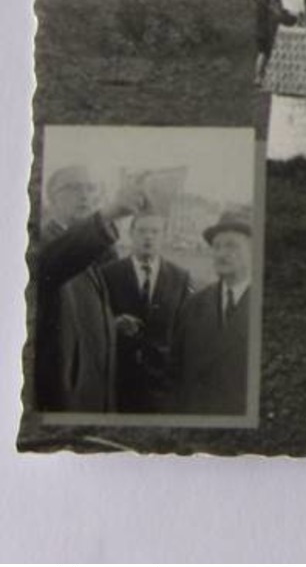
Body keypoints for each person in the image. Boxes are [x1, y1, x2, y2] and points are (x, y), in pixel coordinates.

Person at [32, 167, 144, 413]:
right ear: (51, 198)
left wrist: (109, 324)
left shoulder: (84, 250)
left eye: (91, 188)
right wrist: (108, 214)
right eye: (74, 188)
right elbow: (55, 263)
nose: (85, 195)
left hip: (91, 395)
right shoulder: (40, 243)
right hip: (63, 400)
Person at [99, 210, 192, 413]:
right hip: (118, 376)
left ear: (164, 236)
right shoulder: (109, 274)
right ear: (131, 234)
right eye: (142, 231)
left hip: (162, 382)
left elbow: (185, 329)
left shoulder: (180, 277)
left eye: (155, 232)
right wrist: (113, 323)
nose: (148, 237)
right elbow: (97, 319)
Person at [172, 209, 253, 416]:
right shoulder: (193, 305)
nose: (221, 254)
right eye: (216, 247)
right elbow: (174, 373)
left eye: (231, 245)